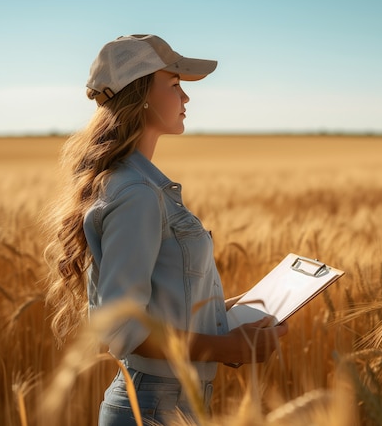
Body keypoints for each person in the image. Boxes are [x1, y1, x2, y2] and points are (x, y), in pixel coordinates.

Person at [45, 34, 288, 425]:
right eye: (174, 86)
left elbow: (162, 306)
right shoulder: (138, 193)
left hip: (166, 405)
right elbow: (124, 330)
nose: (186, 99)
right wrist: (230, 348)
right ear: (141, 95)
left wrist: (233, 315)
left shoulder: (136, 184)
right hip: (153, 408)